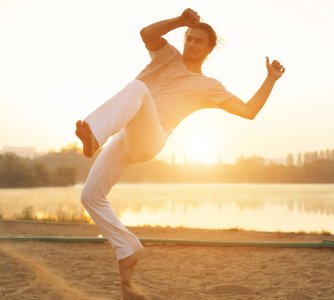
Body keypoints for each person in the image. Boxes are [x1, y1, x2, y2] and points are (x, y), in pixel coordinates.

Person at [75, 7, 285, 295]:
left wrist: (270, 79)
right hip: (127, 134)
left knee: (138, 89)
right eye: (189, 38)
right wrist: (179, 21)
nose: (191, 43)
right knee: (90, 196)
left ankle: (94, 136)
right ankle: (127, 248)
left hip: (152, 137)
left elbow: (248, 111)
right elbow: (146, 34)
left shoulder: (208, 86)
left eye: (199, 41)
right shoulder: (166, 56)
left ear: (210, 48)